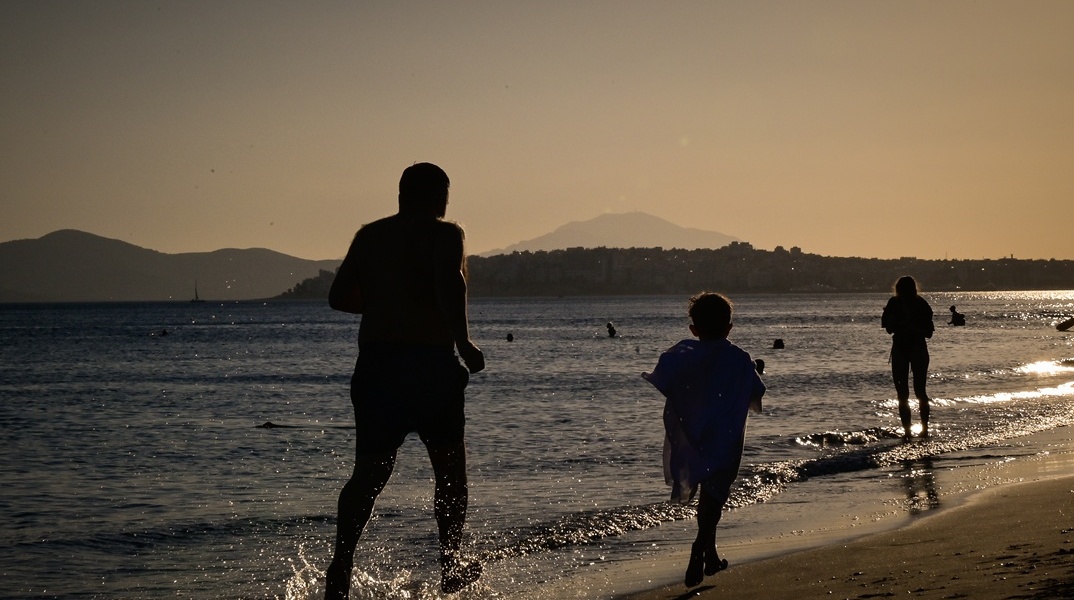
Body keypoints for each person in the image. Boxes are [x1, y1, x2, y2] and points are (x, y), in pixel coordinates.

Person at [324, 163, 485, 599]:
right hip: (429, 366)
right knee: (450, 471)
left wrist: (384, 305)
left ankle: (342, 563)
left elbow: (338, 297)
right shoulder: (445, 234)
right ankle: (451, 564)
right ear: (441, 196)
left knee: (368, 476)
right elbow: (451, 284)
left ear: (400, 195)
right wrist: (465, 343)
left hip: (377, 368)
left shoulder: (369, 235)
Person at [642, 292, 765, 588]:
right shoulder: (739, 358)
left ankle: (709, 552)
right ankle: (701, 548)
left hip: (694, 437)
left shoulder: (682, 354)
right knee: (715, 495)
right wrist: (752, 373)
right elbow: (756, 394)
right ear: (729, 327)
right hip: (727, 437)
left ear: (694, 330)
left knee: (705, 493)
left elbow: (664, 380)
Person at [881, 276, 935, 440]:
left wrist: (905, 325)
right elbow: (888, 326)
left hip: (907, 348)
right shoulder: (917, 303)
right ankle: (919, 430)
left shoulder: (910, 303)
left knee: (906, 393)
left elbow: (888, 327)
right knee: (917, 392)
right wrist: (905, 323)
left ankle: (911, 432)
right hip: (912, 348)